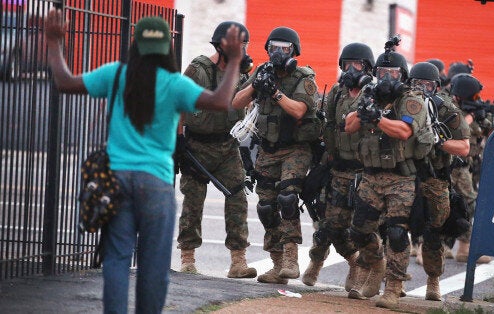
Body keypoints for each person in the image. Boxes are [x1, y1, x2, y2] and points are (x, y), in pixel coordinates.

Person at [45, 10, 245, 312]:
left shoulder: (115, 74)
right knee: (153, 266)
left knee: (116, 259)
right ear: (167, 48)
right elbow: (219, 102)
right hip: (156, 182)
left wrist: (53, 41)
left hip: (116, 180)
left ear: (135, 45)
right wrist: (233, 60)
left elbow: (64, 81)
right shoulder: (174, 83)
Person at [343, 51, 433, 309]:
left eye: (392, 73)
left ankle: (393, 287)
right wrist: (365, 111)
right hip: (371, 176)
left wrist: (378, 119)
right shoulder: (369, 94)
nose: (386, 78)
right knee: (358, 231)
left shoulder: (411, 99)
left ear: (402, 76)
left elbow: (404, 131)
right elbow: (349, 126)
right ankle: (376, 262)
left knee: (396, 232)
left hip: (400, 178)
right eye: (382, 73)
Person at [232, 26, 321, 284]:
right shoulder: (262, 71)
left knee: (287, 197)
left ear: (293, 51)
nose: (278, 52)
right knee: (266, 206)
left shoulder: (303, 78)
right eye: (273, 47)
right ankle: (277, 263)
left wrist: (275, 92)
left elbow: (298, 111)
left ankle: (292, 259)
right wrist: (256, 86)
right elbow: (236, 102)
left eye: (284, 48)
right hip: (268, 149)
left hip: (295, 148)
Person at [176, 21, 256, 279]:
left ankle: (238, 260)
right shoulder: (198, 70)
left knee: (238, 198)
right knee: (193, 201)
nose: (242, 51)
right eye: (238, 46)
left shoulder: (240, 74)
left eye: (244, 46)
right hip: (196, 145)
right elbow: (178, 104)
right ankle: (187, 257)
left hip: (227, 145)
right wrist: (178, 142)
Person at [301, 43, 375, 290]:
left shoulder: (373, 93)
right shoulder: (338, 91)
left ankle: (367, 270)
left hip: (366, 172)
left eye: (357, 65)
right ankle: (335, 262)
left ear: (367, 68)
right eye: (346, 65)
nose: (351, 69)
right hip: (338, 168)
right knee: (330, 225)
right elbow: (329, 124)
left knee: (363, 227)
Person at [406, 62, 471, 301]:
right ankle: (394, 281)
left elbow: (464, 147)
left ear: (437, 86)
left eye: (428, 85)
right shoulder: (403, 103)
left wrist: (437, 141)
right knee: (395, 228)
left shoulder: (445, 108)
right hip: (404, 175)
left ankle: (433, 281)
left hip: (435, 177)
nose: (422, 89)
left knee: (434, 232)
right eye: (416, 84)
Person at [448, 74, 492, 264]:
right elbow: (453, 128)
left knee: (469, 205)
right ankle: (433, 248)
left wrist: (482, 118)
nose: (477, 100)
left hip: (465, 167)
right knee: (440, 205)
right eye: (474, 97)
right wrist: (471, 116)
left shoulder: (471, 110)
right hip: (447, 166)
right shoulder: (447, 107)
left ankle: (465, 248)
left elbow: (486, 131)